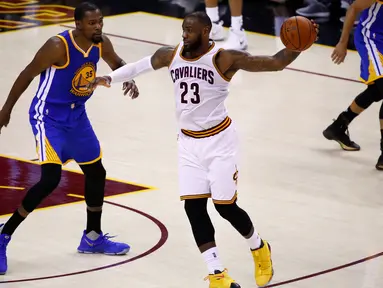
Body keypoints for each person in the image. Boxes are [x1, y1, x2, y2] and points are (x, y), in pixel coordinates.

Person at [88, 11, 318, 288]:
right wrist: (109, 79)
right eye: (183, 29)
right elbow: (138, 66)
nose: (184, 34)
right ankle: (217, 274)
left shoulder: (224, 58)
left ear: (206, 32)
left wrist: (298, 45)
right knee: (194, 208)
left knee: (225, 207)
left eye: (190, 31)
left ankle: (259, 248)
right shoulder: (170, 55)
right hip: (188, 143)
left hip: (220, 143)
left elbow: (275, 63)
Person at [0, 2, 138, 275]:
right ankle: (4, 234)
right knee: (50, 179)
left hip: (78, 117)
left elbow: (118, 63)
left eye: (100, 21)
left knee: (97, 173)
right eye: (92, 23)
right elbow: (27, 74)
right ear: (77, 24)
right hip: (48, 117)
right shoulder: (57, 46)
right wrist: (6, 109)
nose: (98, 26)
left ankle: (93, 237)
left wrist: (128, 76)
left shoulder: (101, 43)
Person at [323, 0, 383, 170]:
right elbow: (354, 8)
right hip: (371, 38)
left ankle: (338, 127)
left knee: (377, 91)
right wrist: (342, 43)